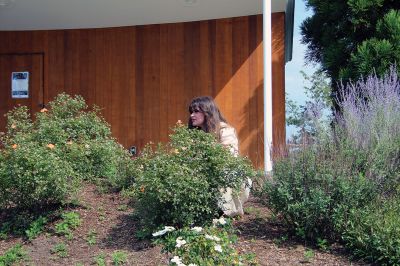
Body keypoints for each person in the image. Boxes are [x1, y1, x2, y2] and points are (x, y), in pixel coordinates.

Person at [188, 96, 251, 216]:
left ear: (208, 112)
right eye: (191, 112)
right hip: (202, 175)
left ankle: (223, 211)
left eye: (196, 111)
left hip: (223, 173)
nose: (192, 115)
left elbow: (229, 157)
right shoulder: (194, 135)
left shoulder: (225, 131)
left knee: (229, 173)